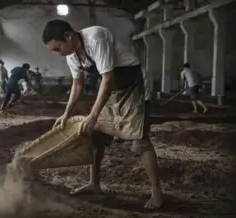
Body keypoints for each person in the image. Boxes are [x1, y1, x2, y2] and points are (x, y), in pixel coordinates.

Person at [42, 19, 164, 209]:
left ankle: (157, 193)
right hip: (112, 88)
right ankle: (94, 184)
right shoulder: (71, 55)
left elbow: (107, 78)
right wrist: (66, 113)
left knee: (139, 139)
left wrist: (93, 115)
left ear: (69, 36)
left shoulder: (96, 37)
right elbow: (78, 84)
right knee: (96, 136)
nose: (59, 54)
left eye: (58, 48)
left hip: (133, 83)